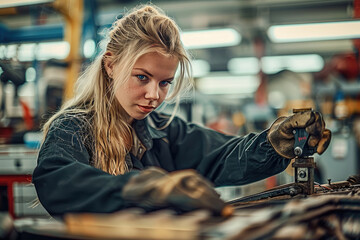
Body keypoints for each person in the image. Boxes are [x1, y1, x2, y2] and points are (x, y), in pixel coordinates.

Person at [32, 4, 331, 218]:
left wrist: (273, 145)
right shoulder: (72, 128)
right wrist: (144, 188)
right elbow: (56, 181)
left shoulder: (163, 132)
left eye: (165, 82)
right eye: (142, 77)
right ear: (110, 65)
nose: (154, 95)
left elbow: (223, 155)